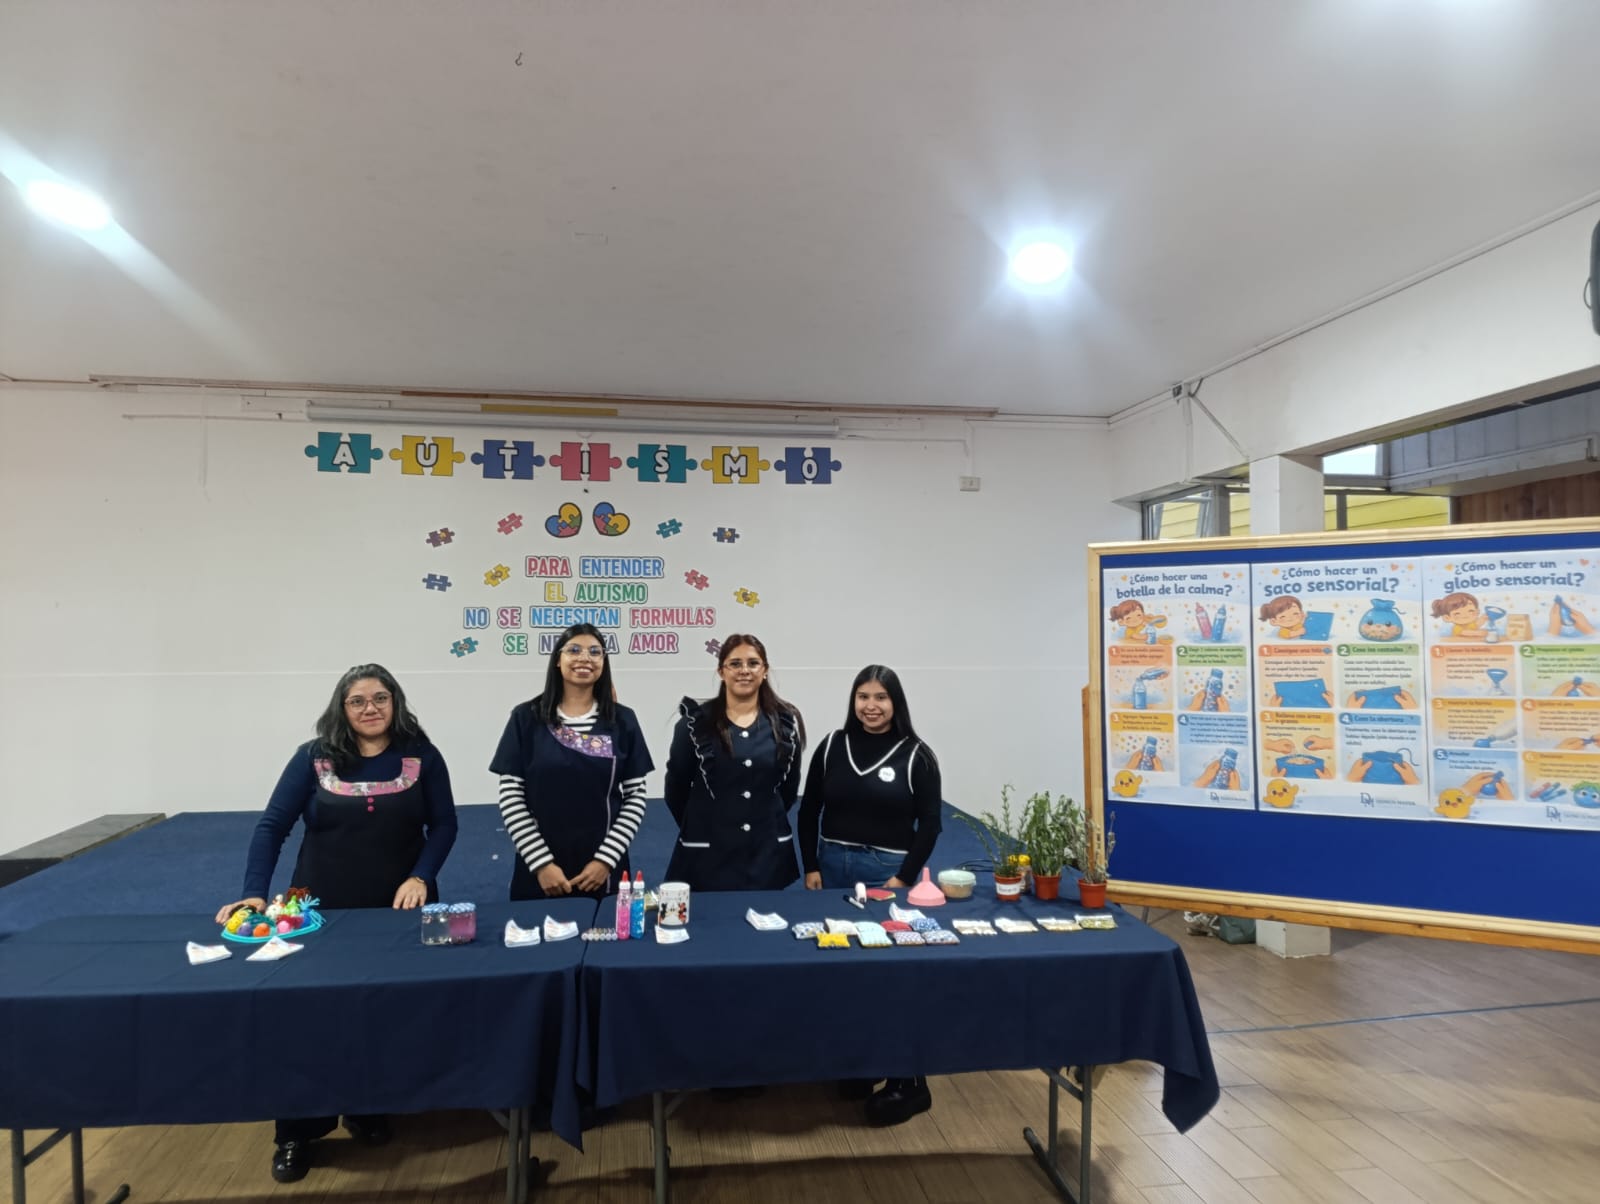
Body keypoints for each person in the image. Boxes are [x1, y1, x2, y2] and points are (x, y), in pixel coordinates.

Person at [214, 663, 459, 1184]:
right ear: (341, 708)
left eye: (380, 698)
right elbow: (271, 827)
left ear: (395, 702)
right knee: (307, 1017)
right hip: (318, 910)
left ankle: (368, 1106)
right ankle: (296, 1131)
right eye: (357, 701)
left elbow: (444, 825)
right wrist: (254, 893)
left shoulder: (423, 756)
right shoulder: (312, 757)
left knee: (382, 1011)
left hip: (399, 909)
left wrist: (421, 876)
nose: (371, 708)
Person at [798, 665, 942, 1127]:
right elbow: (809, 810)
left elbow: (931, 824)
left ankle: (908, 1081)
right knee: (841, 969)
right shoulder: (831, 746)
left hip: (886, 873)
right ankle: (860, 1063)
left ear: (895, 702)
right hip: (833, 866)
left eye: (881, 697)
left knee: (890, 976)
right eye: (863, 696)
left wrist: (903, 877)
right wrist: (811, 865)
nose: (871, 706)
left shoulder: (917, 755)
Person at [491, 623, 654, 900]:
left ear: (604, 662)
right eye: (574, 650)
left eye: (595, 652)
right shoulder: (526, 718)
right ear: (558, 659)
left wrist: (605, 860)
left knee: (607, 928)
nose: (585, 658)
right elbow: (511, 796)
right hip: (539, 870)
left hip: (604, 869)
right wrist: (541, 864)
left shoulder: (622, 720)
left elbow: (635, 796)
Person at [663, 633, 806, 890]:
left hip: (766, 856)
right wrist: (705, 824)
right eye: (735, 663)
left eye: (753, 663)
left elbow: (787, 789)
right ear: (721, 671)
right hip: (707, 857)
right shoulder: (694, 725)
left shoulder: (784, 724)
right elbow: (676, 789)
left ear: (765, 670)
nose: (744, 670)